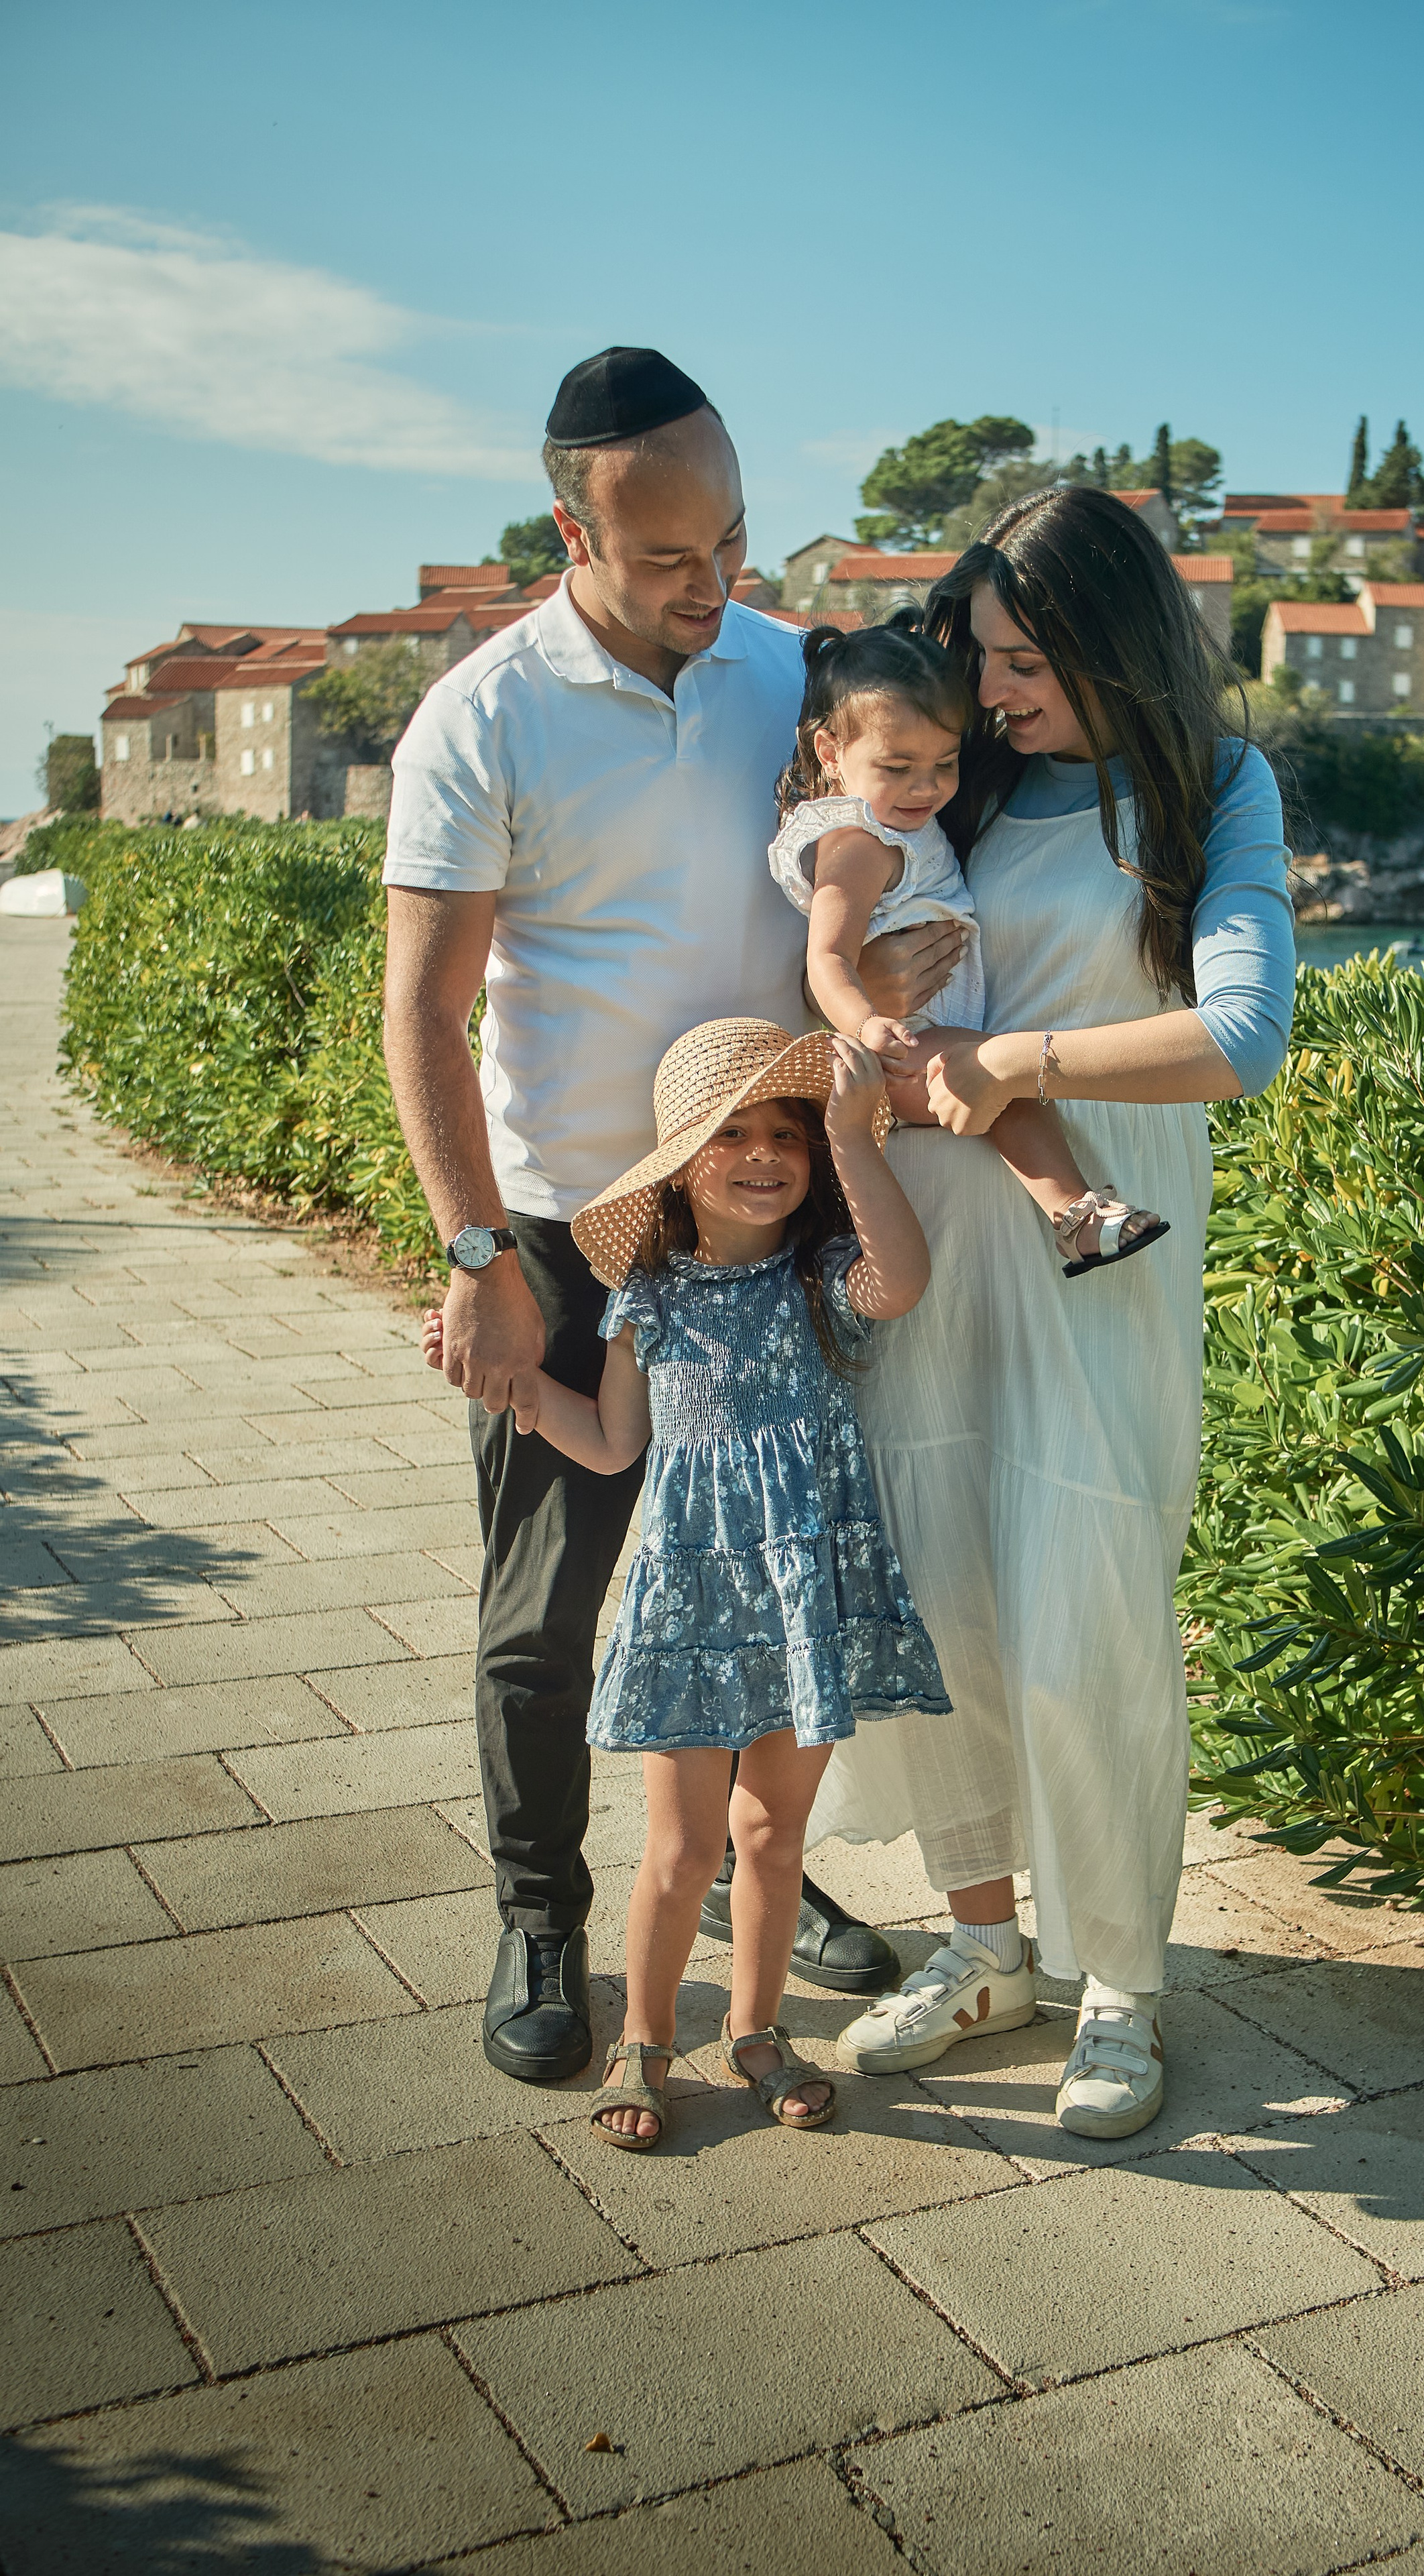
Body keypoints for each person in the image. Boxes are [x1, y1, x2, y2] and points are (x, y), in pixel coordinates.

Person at [381, 346, 899, 2092]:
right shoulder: (481, 717)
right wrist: (477, 1262)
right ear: (571, 529)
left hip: (761, 1219)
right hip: (557, 1230)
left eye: (736, 540)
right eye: (672, 558)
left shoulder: (787, 675)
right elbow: (423, 1012)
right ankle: (543, 1915)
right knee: (546, 1613)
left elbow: (879, 853)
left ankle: (766, 1859)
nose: (716, 584)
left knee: (768, 1571)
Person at [809, 484, 1297, 2139]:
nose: (991, 688)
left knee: (1089, 1616)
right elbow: (854, 947)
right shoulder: (961, 779)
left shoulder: (1212, 787)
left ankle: (1119, 1983)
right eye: (981, 655)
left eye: (1022, 657)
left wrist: (1013, 1061)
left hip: (1103, 1240)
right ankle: (980, 1942)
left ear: (1107, 640)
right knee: (941, 1594)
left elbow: (1237, 1034)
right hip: (933, 1239)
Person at [420, 1019, 948, 2149]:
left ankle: (757, 2031)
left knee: (773, 1838)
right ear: (678, 1161)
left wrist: (855, 1132)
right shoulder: (648, 1297)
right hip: (695, 1603)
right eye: (732, 1133)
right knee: (682, 1847)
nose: (765, 1153)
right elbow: (613, 1445)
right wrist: (513, 1389)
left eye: (784, 1133)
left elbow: (903, 1280)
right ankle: (645, 2040)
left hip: (806, 1594)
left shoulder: (823, 1275)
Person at [768, 618, 1167, 1277]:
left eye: (944, 764)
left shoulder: (897, 818)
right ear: (830, 751)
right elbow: (827, 957)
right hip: (892, 1051)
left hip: (915, 1034)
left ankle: (1081, 1217)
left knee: (1006, 1085)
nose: (926, 787)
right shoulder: (857, 842)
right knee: (1008, 1086)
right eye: (898, 768)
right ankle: (1080, 1219)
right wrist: (868, 1023)